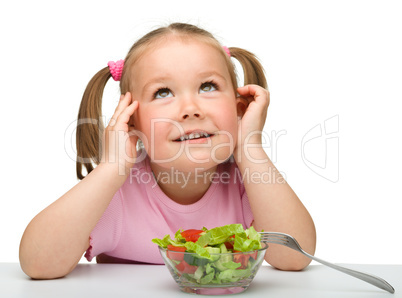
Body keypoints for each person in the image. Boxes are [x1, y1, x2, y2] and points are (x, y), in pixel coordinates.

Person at [19, 22, 316, 279]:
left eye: (208, 86)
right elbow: (38, 263)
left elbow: (295, 257)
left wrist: (250, 146)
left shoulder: (249, 186)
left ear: (239, 107)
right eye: (163, 92)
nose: (190, 109)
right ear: (131, 120)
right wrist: (111, 169)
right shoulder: (115, 191)